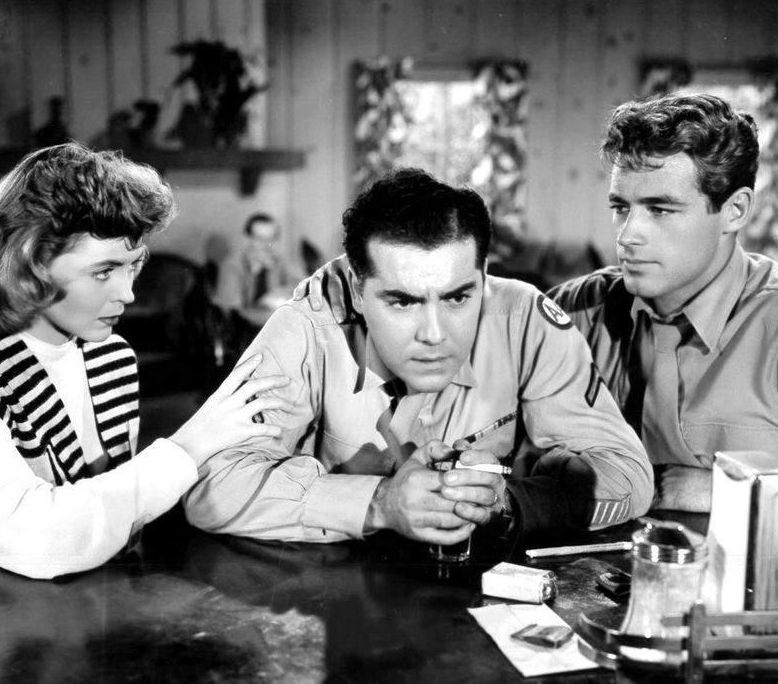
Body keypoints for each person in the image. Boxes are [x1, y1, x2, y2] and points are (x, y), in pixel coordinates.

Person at [183, 168, 653, 547]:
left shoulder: (525, 319)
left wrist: (506, 504)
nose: (434, 335)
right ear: (358, 291)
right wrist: (379, 503)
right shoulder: (308, 325)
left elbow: (629, 475)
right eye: (402, 302)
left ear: (483, 276)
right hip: (327, 600)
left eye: (457, 297)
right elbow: (208, 484)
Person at [0, 143, 290, 579]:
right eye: (103, 272)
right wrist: (188, 447)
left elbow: (117, 516)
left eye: (133, 266)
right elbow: (40, 542)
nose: (127, 294)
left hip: (93, 604)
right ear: (32, 262)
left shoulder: (110, 354)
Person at [549, 93, 778, 512]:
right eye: (621, 208)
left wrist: (728, 491)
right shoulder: (574, 311)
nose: (627, 235)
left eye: (660, 210)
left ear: (735, 210)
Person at [214, 212, 302, 328]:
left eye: (272, 239)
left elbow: (305, 285)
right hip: (241, 331)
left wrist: (277, 293)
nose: (267, 246)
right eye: (260, 239)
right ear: (247, 239)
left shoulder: (279, 260)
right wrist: (266, 308)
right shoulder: (232, 266)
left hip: (274, 327)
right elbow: (233, 314)